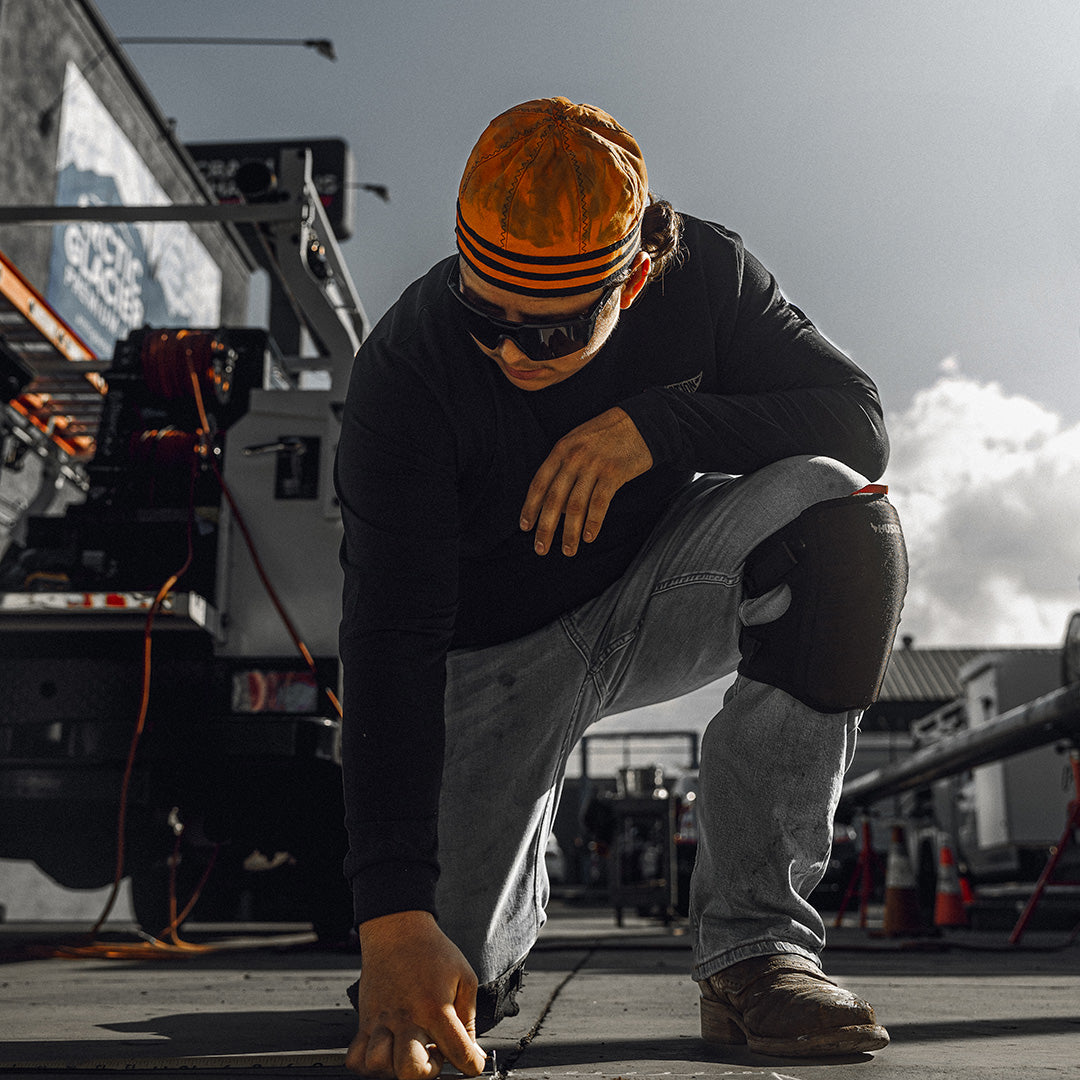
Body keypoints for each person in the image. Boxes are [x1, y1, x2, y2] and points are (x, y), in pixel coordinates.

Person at [335, 96, 908, 1078]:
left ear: (635, 278)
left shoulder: (708, 281)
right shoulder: (406, 375)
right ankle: (480, 931)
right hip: (485, 662)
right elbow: (389, 643)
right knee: (458, 979)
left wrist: (661, 427)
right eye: (486, 316)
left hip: (648, 597)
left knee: (840, 519)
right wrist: (391, 918)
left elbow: (856, 422)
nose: (512, 351)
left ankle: (759, 953)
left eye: (550, 334)